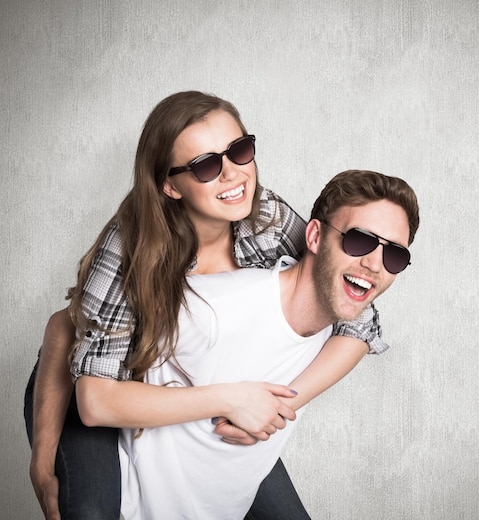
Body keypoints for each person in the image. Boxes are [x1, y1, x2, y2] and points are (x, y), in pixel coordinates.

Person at [24, 91, 392, 520]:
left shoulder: (265, 219)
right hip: (94, 391)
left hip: (214, 404)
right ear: (168, 184)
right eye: (205, 165)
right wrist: (42, 462)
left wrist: (278, 403)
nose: (234, 175)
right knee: (91, 511)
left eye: (240, 151)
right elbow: (73, 352)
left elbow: (356, 312)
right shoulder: (130, 247)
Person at [109, 168, 420, 519]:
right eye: (359, 240)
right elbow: (88, 367)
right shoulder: (216, 308)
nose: (375, 264)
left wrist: (279, 404)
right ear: (314, 236)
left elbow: (365, 330)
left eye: (395, 255)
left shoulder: (334, 333)